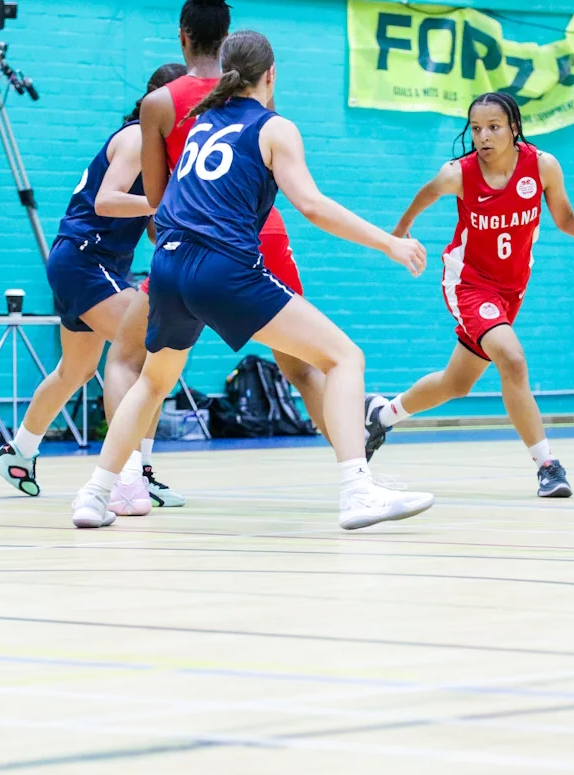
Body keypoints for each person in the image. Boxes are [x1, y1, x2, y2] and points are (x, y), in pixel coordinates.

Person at [69, 30, 435, 532]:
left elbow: (166, 196)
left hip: (168, 266)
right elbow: (311, 205)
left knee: (153, 382)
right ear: (271, 75)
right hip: (222, 267)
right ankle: (357, 491)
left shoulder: (200, 121)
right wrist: (388, 243)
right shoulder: (274, 128)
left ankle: (94, 495)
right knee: (344, 357)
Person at [103, 0, 334, 515]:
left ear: (182, 36)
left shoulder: (162, 101)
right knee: (304, 367)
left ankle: (125, 480)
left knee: (128, 361)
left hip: (195, 245)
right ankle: (356, 467)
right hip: (262, 233)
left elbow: (159, 200)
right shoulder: (255, 96)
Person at [363, 94, 574, 497]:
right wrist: (398, 232)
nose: (483, 136)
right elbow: (426, 193)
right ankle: (548, 466)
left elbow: (567, 219)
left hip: (511, 290)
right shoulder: (458, 174)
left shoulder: (542, 166)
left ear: (514, 128)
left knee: (456, 384)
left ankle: (380, 415)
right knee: (512, 359)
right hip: (468, 283)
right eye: (476, 128)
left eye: (494, 127)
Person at [0, 64, 190, 510]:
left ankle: (19, 451)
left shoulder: (161, 151)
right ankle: (134, 473)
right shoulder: (136, 138)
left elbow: (152, 223)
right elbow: (107, 200)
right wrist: (165, 201)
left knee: (75, 371)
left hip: (89, 263)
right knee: (148, 354)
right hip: (86, 259)